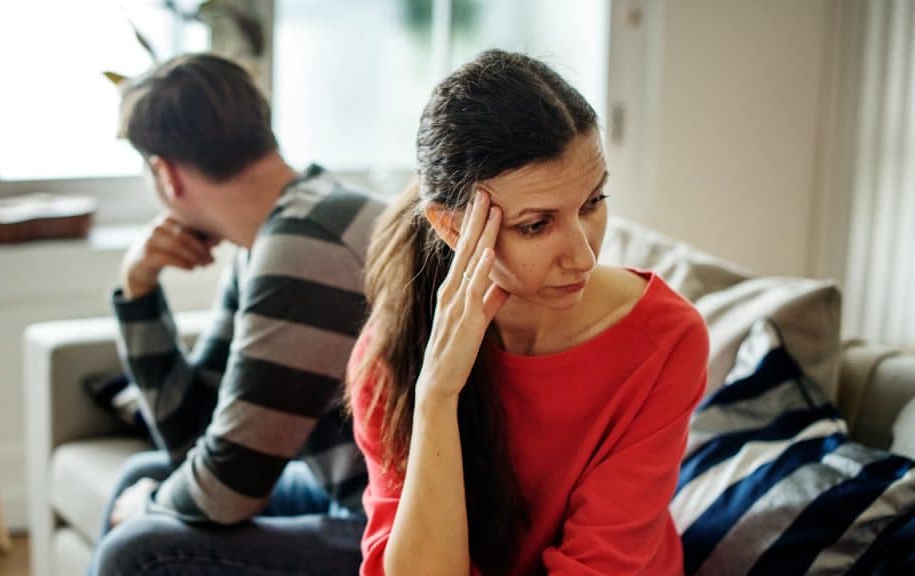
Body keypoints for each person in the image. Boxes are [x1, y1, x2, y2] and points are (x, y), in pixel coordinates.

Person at [346, 49, 709, 575]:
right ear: (452, 228)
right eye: (537, 225)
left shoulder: (664, 340)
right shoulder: (391, 355)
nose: (583, 255)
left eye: (592, 202)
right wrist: (437, 396)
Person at [89, 53, 385, 575]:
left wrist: (149, 506)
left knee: (136, 552)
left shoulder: (303, 247)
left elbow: (227, 490)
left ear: (167, 174)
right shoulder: (290, 222)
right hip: (359, 499)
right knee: (144, 471)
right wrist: (137, 292)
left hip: (403, 526)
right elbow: (195, 435)